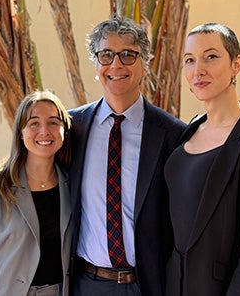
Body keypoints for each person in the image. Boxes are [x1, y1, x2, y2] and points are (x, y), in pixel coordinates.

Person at [164, 23, 240, 296]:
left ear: (236, 64)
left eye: (211, 57)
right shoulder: (191, 129)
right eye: (190, 60)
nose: (198, 70)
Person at [68, 16, 186, 296]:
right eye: (106, 54)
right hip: (86, 284)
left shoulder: (173, 134)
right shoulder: (72, 128)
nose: (116, 64)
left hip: (148, 286)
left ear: (145, 64)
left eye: (128, 55)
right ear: (96, 64)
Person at [0, 90, 73, 296]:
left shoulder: (72, 185)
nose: (45, 131)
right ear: (21, 131)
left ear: (64, 129)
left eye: (54, 122)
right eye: (34, 123)